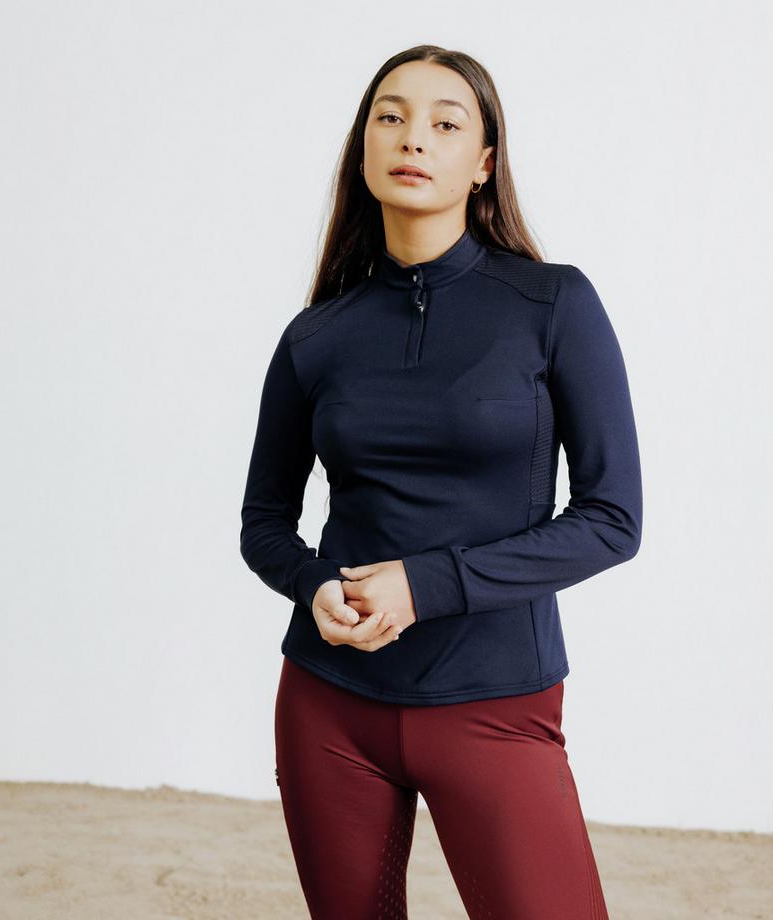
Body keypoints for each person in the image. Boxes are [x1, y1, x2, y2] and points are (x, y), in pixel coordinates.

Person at [240, 43, 642, 920]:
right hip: (329, 705)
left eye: (444, 123)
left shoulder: (553, 306)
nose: (412, 137)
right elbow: (263, 521)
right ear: (363, 149)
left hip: (494, 699)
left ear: (484, 162)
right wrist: (314, 586)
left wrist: (427, 585)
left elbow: (612, 519)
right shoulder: (317, 335)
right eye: (390, 116)